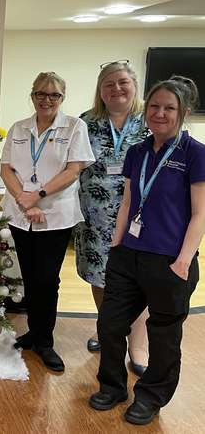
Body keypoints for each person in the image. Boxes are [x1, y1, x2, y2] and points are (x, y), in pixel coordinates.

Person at [90, 76, 204, 426]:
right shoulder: (138, 151)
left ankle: (151, 397)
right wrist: (116, 243)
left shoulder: (195, 154)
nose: (159, 113)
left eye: (169, 107)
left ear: (183, 112)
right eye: (154, 106)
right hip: (128, 255)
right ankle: (112, 387)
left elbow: (201, 212)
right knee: (110, 325)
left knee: (164, 335)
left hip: (170, 260)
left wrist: (183, 261)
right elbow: (128, 200)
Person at [0, 71, 94, 372]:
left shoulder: (75, 127)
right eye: (40, 93)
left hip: (55, 216)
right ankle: (33, 332)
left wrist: (37, 196)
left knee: (47, 280)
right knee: (29, 277)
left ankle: (45, 341)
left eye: (53, 94)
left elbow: (73, 170)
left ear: (62, 98)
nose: (47, 99)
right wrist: (24, 201)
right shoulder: (19, 128)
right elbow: (6, 170)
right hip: (21, 214)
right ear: (32, 96)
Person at [74, 61, 149, 375]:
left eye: (122, 83)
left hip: (141, 215)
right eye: (109, 84)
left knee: (139, 278)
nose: (116, 89)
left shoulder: (151, 120)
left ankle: (139, 342)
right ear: (100, 91)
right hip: (95, 216)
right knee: (99, 275)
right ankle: (107, 329)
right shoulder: (85, 122)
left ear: (133, 85)